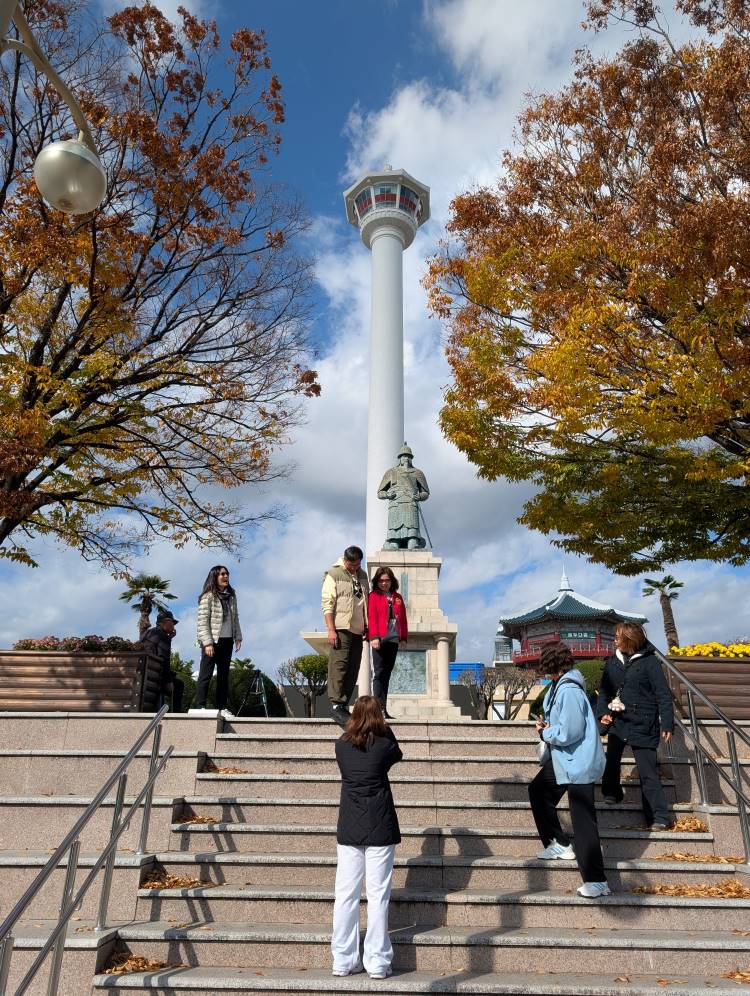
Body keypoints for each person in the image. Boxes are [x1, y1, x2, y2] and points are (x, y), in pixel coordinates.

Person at [529, 642, 610, 898]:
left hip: (578, 762)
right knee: (539, 790)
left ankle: (597, 881)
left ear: (551, 663)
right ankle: (559, 843)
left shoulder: (568, 690)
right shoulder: (560, 686)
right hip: (567, 760)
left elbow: (570, 731)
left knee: (584, 822)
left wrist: (545, 732)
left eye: (543, 662)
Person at [331, 696, 402, 980]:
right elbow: (398, 753)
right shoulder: (384, 745)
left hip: (350, 824)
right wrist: (385, 726)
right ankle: (377, 962)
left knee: (346, 895)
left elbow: (352, 737)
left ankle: (343, 959)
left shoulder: (340, 745)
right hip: (380, 824)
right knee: (378, 896)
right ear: (378, 718)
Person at [597, 621, 674, 830]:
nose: (614, 639)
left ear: (629, 639)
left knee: (648, 772)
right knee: (611, 760)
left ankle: (658, 816)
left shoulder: (650, 662)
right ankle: (611, 792)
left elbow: (663, 694)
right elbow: (604, 691)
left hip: (644, 722)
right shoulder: (612, 661)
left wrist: (667, 722)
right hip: (618, 720)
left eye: (617, 636)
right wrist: (603, 713)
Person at [322, 545, 369, 727]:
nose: (354, 568)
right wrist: (331, 629)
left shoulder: (363, 575)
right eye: (352, 564)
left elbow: (367, 600)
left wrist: (367, 624)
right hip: (341, 627)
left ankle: (343, 704)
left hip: (358, 629)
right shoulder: (333, 574)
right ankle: (335, 704)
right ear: (345, 559)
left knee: (353, 667)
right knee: (339, 665)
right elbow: (327, 603)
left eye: (358, 564)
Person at [195, 565, 242, 712]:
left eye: (227, 573)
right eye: (222, 574)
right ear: (214, 577)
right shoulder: (207, 597)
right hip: (212, 641)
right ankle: (200, 706)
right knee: (205, 674)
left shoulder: (231, 596)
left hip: (227, 640)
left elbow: (236, 618)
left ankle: (222, 707)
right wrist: (207, 643)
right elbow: (202, 621)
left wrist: (238, 637)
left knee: (223, 676)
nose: (226, 576)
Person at [367, 566, 407, 719]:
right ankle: (377, 709)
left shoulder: (397, 597)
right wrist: (374, 637)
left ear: (392, 581)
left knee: (387, 675)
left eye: (387, 580)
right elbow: (372, 617)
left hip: (393, 638)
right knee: (379, 673)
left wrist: (403, 638)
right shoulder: (373, 596)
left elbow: (403, 618)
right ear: (377, 582)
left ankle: (384, 709)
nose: (384, 583)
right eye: (381, 581)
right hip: (380, 638)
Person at [141, 609, 183, 712]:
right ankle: (176, 714)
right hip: (154, 676)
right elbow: (163, 660)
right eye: (172, 623)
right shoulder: (162, 635)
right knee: (178, 684)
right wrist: (168, 681)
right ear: (166, 623)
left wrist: (170, 638)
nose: (174, 626)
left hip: (146, 672)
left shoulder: (150, 632)